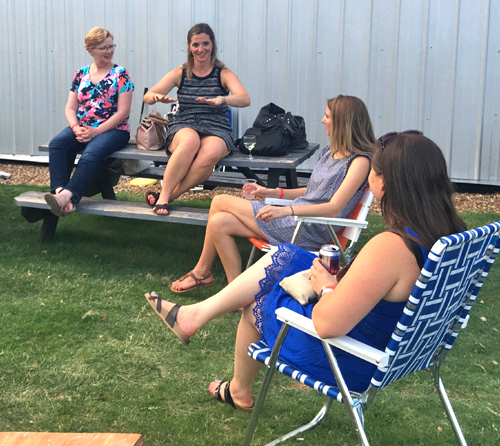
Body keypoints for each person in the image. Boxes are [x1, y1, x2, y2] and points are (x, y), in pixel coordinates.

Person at [145, 132, 465, 412]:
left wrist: (327, 285)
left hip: (352, 358)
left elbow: (327, 324)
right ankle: (194, 317)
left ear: (383, 183)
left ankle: (237, 386)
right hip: (396, 348)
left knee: (262, 296)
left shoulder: (391, 248)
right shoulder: (447, 235)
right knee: (288, 255)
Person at [170, 95, 377, 293]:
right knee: (219, 223)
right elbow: (313, 191)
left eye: (328, 116)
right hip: (297, 219)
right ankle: (237, 294)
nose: (323, 120)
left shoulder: (359, 161)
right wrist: (272, 192)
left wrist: (286, 211)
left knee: (219, 201)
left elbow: (334, 208)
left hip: (309, 228)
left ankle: (202, 272)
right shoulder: (331, 152)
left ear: (344, 123)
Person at [143, 23, 251, 215]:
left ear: (212, 45)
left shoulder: (222, 73)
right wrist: (157, 97)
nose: (201, 49)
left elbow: (244, 99)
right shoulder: (180, 73)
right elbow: (148, 95)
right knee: (190, 141)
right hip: (185, 123)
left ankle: (169, 196)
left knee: (208, 155)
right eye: (196, 45)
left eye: (205, 44)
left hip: (216, 127)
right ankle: (165, 196)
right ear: (189, 47)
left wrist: (222, 100)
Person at [44, 27, 134, 217]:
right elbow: (70, 108)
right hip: (83, 127)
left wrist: (96, 131)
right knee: (57, 145)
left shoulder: (120, 74)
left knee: (90, 154)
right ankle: (60, 192)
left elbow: (123, 112)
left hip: (114, 129)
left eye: (111, 46)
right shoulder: (80, 74)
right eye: (103, 48)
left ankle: (66, 196)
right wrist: (76, 128)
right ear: (90, 50)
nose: (109, 51)